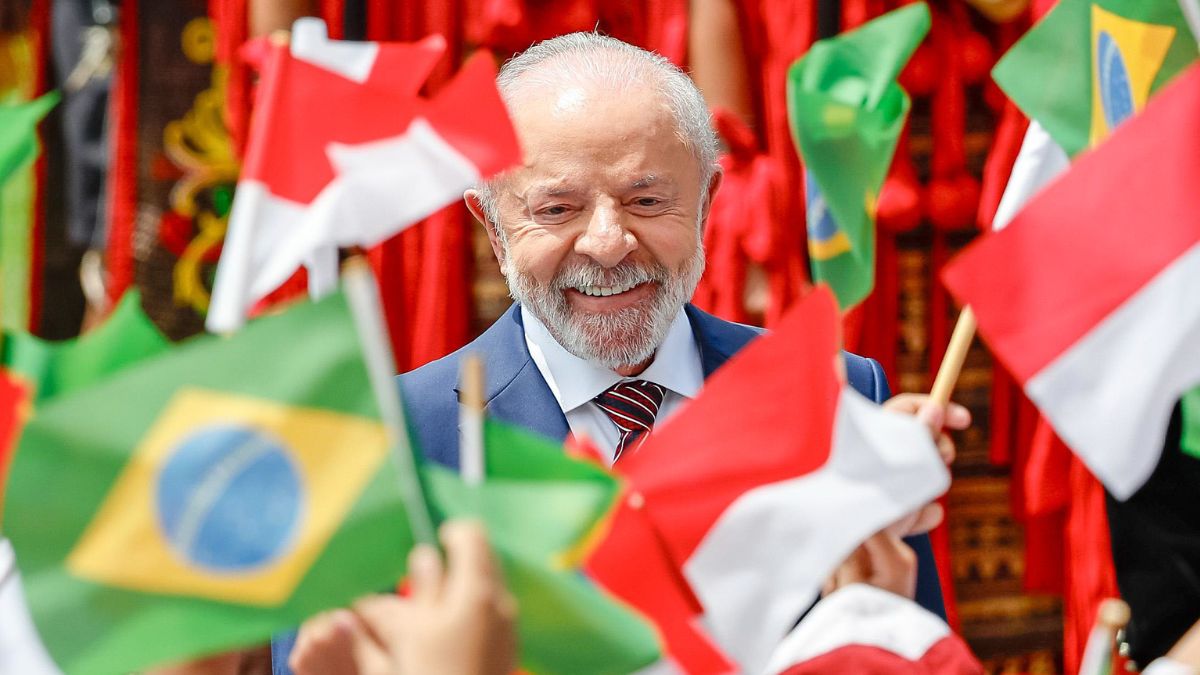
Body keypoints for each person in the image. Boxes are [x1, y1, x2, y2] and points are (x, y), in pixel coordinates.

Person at [271, 31, 966, 673]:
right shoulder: (383, 443)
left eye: (645, 199)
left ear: (706, 201)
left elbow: (914, 649)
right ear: (492, 226)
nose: (608, 244)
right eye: (557, 209)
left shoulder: (837, 401)